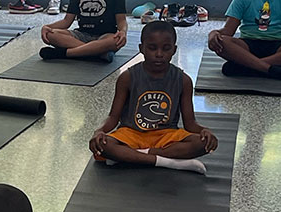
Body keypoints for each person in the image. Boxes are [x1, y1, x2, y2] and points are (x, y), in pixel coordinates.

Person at [90, 21, 218, 176]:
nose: (159, 54)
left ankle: (132, 157)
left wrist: (205, 131)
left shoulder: (183, 80)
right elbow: (113, 117)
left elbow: (190, 123)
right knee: (104, 145)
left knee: (204, 143)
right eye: (152, 48)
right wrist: (99, 131)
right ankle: (168, 162)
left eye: (166, 48)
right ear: (141, 49)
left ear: (174, 50)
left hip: (166, 135)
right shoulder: (127, 77)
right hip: (131, 134)